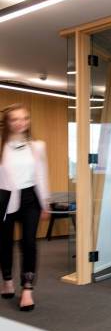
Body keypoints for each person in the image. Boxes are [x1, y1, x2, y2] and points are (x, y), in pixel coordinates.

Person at [0, 103, 50, 311]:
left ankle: (27, 289)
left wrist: (45, 202)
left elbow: (41, 174)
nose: (21, 123)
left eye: (25, 118)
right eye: (15, 119)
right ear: (7, 123)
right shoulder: (1, 146)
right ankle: (7, 280)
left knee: (29, 243)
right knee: (4, 243)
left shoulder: (37, 146)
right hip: (4, 199)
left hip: (31, 199)